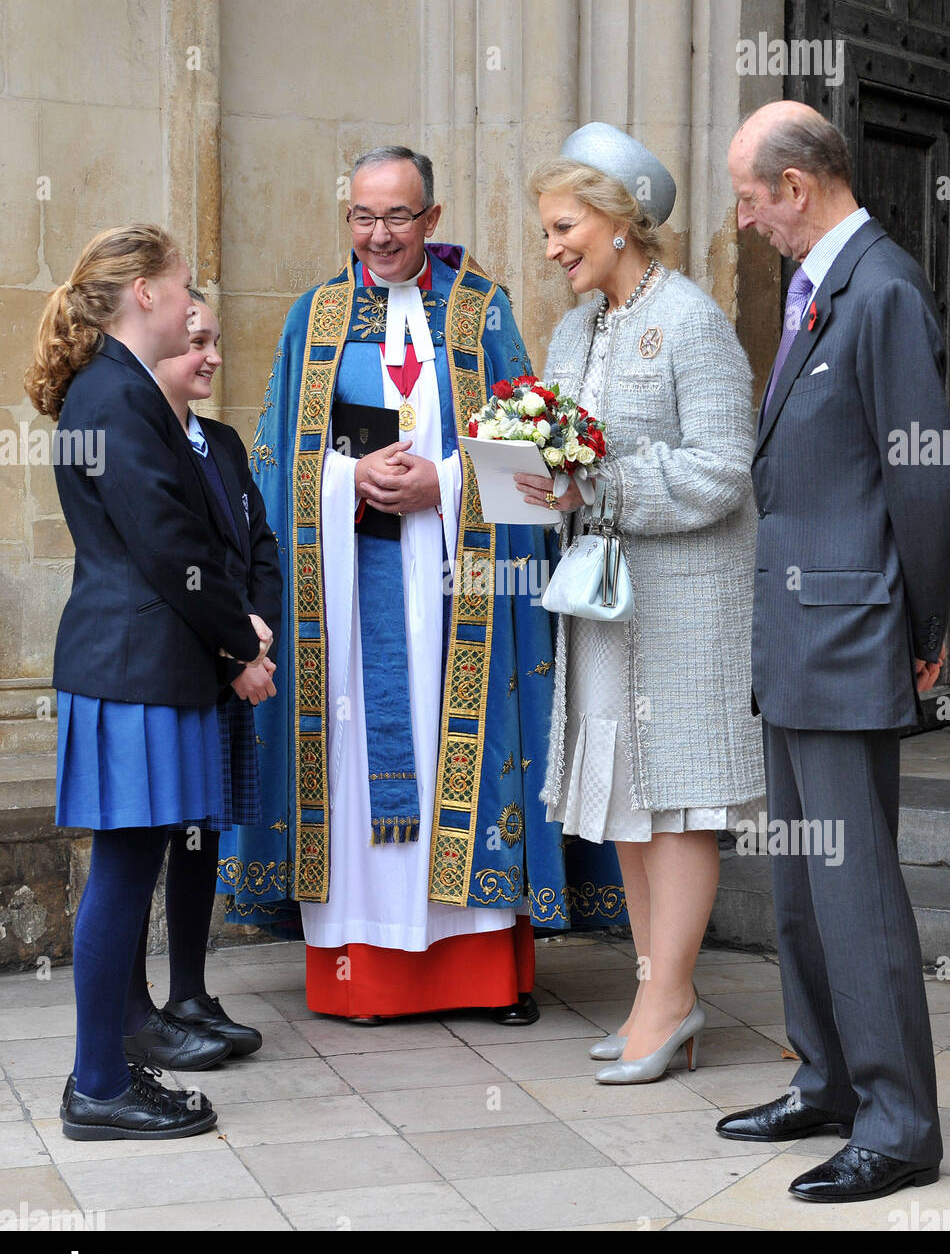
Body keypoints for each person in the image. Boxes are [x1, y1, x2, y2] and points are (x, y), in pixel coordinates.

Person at [242, 146, 576, 1021]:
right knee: (356, 768)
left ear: (431, 220)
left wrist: (445, 482)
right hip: (345, 603)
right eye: (363, 216)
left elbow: (530, 461)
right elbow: (274, 470)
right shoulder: (311, 319)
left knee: (458, 756)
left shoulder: (480, 312)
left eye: (397, 217)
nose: (378, 235)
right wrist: (346, 483)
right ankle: (364, 975)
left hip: (457, 589)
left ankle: (481, 975)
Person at [720, 101, 950, 1202]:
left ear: (798, 187)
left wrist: (923, 629)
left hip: (854, 631)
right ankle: (823, 1079)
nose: (743, 220)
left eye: (747, 198)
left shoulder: (884, 290)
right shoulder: (814, 287)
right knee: (799, 887)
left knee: (852, 888)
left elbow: (921, 477)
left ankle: (898, 1123)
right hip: (797, 634)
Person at [521, 123, 766, 1084]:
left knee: (677, 803)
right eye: (546, 231)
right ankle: (653, 994)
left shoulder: (693, 321)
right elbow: (562, 457)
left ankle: (669, 1001)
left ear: (620, 222)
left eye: (563, 227)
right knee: (630, 802)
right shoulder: (574, 328)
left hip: (685, 605)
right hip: (605, 602)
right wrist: (535, 483)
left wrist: (600, 486)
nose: (551, 249)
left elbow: (720, 471)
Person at [26, 224, 273, 1140]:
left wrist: (231, 634)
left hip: (145, 665)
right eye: (182, 287)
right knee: (125, 874)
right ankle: (96, 1085)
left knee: (128, 870)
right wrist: (240, 646)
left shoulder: (117, 391)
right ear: (142, 295)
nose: (190, 301)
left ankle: (113, 1062)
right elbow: (170, 550)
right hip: (134, 668)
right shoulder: (113, 398)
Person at [119, 290, 283, 1070]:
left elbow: (258, 548)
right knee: (148, 839)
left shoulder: (221, 441)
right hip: (183, 664)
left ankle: (189, 991)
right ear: (156, 353)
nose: (212, 357)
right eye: (196, 345)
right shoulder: (144, 441)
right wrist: (233, 649)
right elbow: (168, 563)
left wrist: (260, 630)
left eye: (215, 342)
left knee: (202, 834)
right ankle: (134, 1011)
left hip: (233, 661)